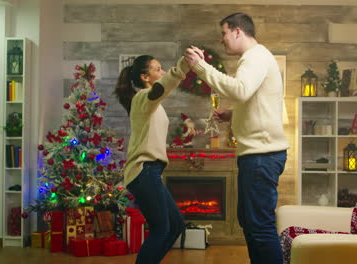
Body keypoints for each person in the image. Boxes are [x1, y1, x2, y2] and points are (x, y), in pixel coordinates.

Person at [184, 12, 289, 264]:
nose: (222, 39)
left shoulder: (255, 57)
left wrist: (200, 66)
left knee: (259, 226)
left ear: (238, 31)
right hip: (256, 155)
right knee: (250, 223)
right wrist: (233, 114)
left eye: (224, 33)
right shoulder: (256, 57)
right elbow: (255, 99)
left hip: (262, 156)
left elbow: (241, 90)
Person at [114, 55, 189, 264]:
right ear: (145, 77)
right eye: (158, 69)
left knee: (175, 225)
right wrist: (182, 67)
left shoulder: (150, 101)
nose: (163, 72)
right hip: (143, 170)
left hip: (150, 171)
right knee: (161, 228)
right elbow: (160, 89)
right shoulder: (144, 97)